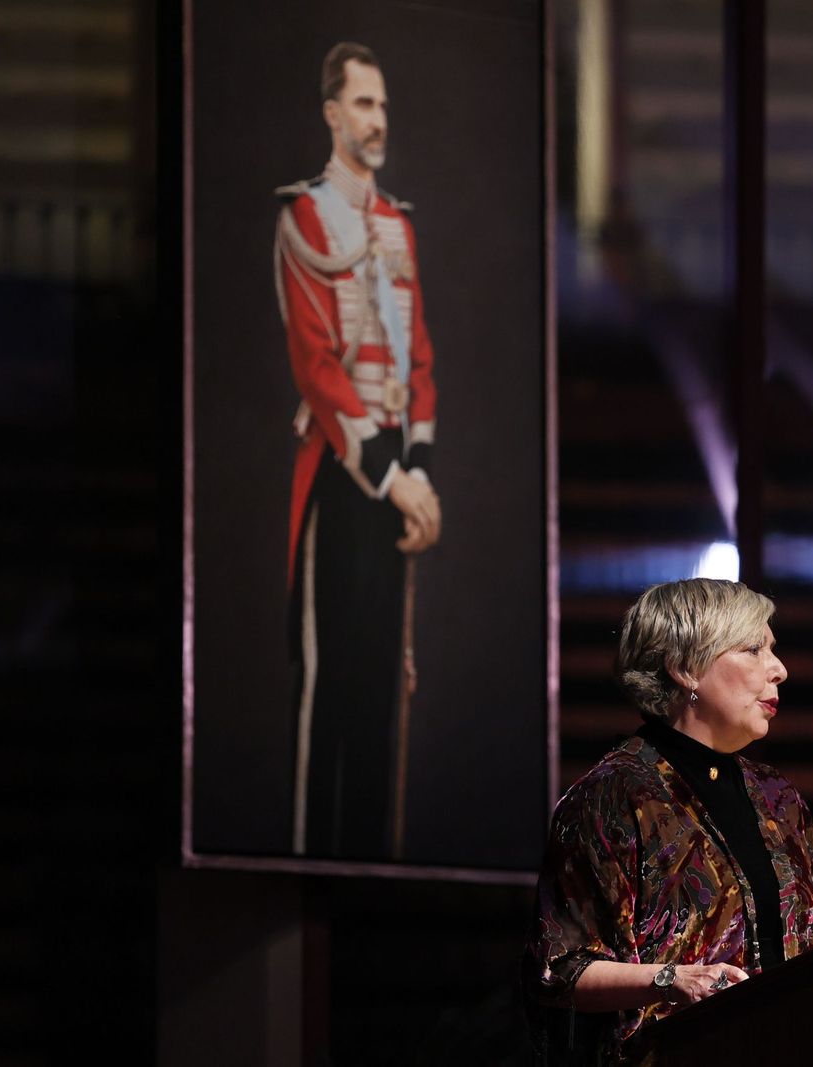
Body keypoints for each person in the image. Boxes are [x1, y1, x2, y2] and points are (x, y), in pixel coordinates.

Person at [525, 578, 813, 1063]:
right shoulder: (616, 794)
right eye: (753, 649)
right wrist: (672, 980)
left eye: (772, 650)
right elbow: (558, 971)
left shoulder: (778, 799)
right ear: (684, 668)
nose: (779, 670)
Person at [273, 42, 441, 859]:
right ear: (333, 114)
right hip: (342, 482)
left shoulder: (397, 224)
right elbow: (318, 366)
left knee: (382, 688)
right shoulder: (306, 218)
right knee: (330, 688)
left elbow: (420, 364)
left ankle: (372, 865)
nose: (378, 120)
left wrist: (421, 479)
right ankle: (316, 860)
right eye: (363, 105)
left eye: (384, 105)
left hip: (396, 484)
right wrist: (389, 476)